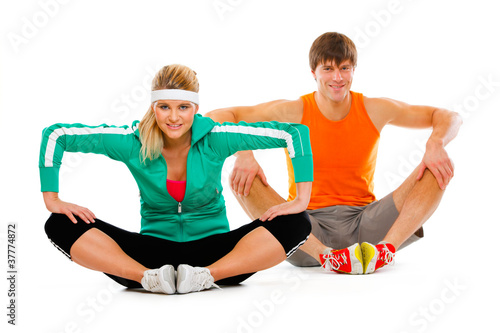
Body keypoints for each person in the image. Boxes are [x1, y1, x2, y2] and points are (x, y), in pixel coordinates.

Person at [40, 64, 314, 294]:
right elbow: (57, 135)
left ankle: (205, 276)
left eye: (183, 107)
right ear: (153, 107)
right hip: (150, 256)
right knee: (60, 223)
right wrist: (52, 199)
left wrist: (301, 199)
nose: (173, 117)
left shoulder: (215, 138)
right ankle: (148, 279)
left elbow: (294, 134)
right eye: (164, 107)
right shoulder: (131, 142)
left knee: (298, 221)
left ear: (195, 107)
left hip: (217, 253)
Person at [206, 32, 462, 274]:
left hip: (366, 225)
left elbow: (448, 116)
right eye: (328, 68)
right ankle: (328, 257)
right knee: (243, 180)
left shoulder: (374, 108)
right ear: (314, 73)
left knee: (436, 168)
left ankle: (386, 250)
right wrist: (244, 154)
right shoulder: (293, 111)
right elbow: (219, 116)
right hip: (305, 231)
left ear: (353, 71)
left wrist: (435, 144)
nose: (337, 77)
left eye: (344, 68)